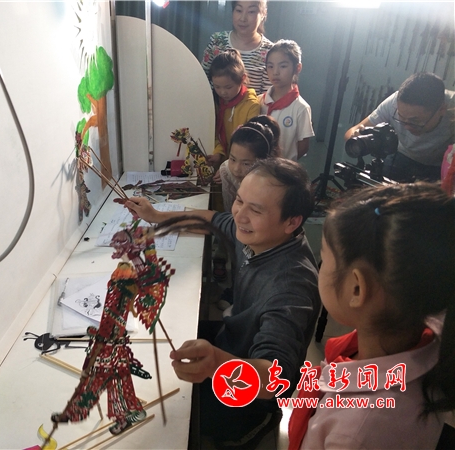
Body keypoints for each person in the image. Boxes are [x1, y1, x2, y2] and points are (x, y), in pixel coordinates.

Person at [123, 158, 321, 448]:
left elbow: (275, 375)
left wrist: (216, 363)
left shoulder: (292, 286)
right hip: (231, 340)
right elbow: (214, 219)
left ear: (292, 222)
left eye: (255, 210)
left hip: (250, 399)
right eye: (239, 201)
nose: (240, 215)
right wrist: (156, 215)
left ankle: (252, 428)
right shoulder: (260, 234)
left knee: (159, 416)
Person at [289, 182, 454, 449]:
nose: (321, 269)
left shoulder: (355, 434)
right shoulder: (433, 343)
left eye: (325, 260)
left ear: (356, 288)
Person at [345, 72, 455, 182]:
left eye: (415, 121)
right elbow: (351, 132)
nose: (406, 127)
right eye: (401, 117)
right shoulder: (393, 103)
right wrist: (356, 136)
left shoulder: (452, 107)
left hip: (439, 165)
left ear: (442, 109)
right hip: (400, 155)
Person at [212, 115, 280, 287]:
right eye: (233, 159)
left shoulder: (274, 183)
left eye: (246, 163)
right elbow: (231, 211)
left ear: (264, 160)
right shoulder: (226, 171)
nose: (236, 169)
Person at [202, 1, 273, 96]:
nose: (243, 18)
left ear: (263, 13)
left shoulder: (270, 52)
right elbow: (202, 79)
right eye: (239, 10)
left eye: (251, 12)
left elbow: (268, 95)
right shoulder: (217, 41)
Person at [259, 39, 315, 161]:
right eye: (270, 66)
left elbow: (303, 146)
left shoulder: (301, 108)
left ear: (297, 68)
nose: (275, 72)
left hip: (282, 168)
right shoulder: (259, 101)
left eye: (283, 66)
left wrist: (285, 162)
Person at [206, 49, 261, 171]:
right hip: (221, 164)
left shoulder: (251, 105)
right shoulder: (216, 102)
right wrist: (219, 154)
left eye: (228, 87)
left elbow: (249, 145)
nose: (222, 92)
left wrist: (228, 167)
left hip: (241, 167)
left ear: (242, 79)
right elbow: (214, 133)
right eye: (217, 87)